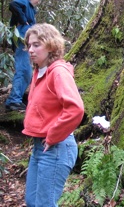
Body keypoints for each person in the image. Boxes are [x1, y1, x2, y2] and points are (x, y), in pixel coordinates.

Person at [23, 23, 84, 207]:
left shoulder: (57, 72)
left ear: (50, 46)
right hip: (40, 147)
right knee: (32, 201)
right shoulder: (38, 71)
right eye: (29, 45)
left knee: (44, 204)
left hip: (56, 147)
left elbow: (75, 109)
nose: (31, 50)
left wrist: (52, 136)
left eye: (36, 45)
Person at [5, 0, 46, 112]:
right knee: (23, 69)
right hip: (22, 38)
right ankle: (13, 101)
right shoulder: (25, 2)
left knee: (27, 71)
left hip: (26, 40)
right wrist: (24, 21)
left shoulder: (31, 9)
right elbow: (13, 4)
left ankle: (17, 98)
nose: (38, 1)